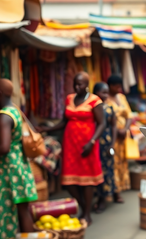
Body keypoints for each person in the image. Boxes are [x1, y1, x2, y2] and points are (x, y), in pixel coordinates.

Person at [40, 72, 105, 225]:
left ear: (87, 84)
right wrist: (45, 129)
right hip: (70, 144)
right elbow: (64, 121)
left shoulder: (95, 101)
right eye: (75, 84)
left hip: (87, 143)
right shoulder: (69, 98)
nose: (77, 87)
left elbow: (102, 123)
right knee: (69, 181)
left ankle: (87, 213)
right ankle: (83, 206)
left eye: (81, 84)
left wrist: (92, 141)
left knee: (87, 181)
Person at [0, 79, 36, 238]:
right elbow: (3, 137)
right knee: (23, 211)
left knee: (4, 212)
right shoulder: (14, 110)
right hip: (18, 166)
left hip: (5, 171)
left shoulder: (3, 116)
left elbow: (3, 147)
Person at [105, 75, 132, 202]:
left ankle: (121, 187)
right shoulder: (105, 100)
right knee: (113, 163)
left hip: (122, 136)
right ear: (111, 86)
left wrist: (125, 129)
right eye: (117, 86)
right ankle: (115, 191)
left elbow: (129, 116)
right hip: (111, 137)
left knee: (122, 161)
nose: (119, 89)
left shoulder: (121, 98)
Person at [92, 82, 117, 214]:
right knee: (96, 170)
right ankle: (99, 196)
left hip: (106, 143)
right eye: (103, 92)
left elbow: (113, 126)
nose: (106, 95)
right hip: (94, 143)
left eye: (107, 92)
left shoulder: (109, 109)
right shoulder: (91, 108)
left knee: (107, 169)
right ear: (96, 93)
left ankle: (105, 197)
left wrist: (112, 144)